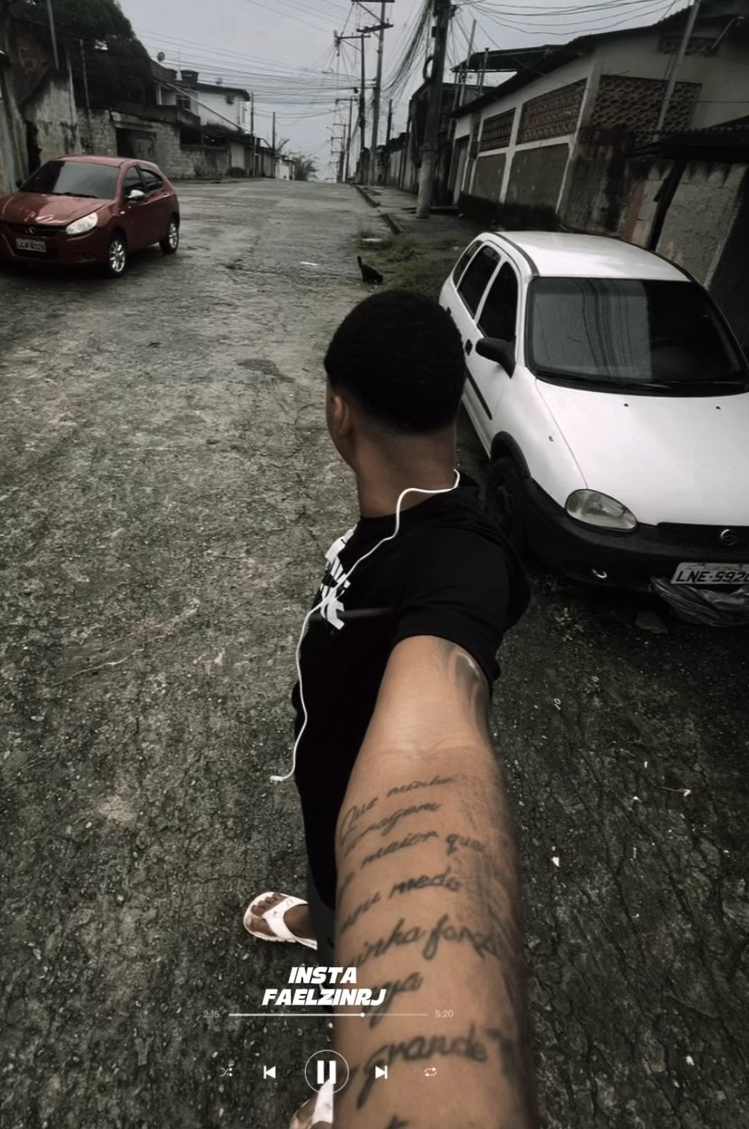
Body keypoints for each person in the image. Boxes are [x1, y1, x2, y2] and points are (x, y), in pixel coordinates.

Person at [243, 290, 535, 1126]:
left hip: (363, 812)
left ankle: (343, 1092)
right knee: (332, 881)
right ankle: (326, 921)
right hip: (328, 794)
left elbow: (435, 758)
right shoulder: (403, 517)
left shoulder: (462, 564)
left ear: (338, 412)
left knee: (360, 934)